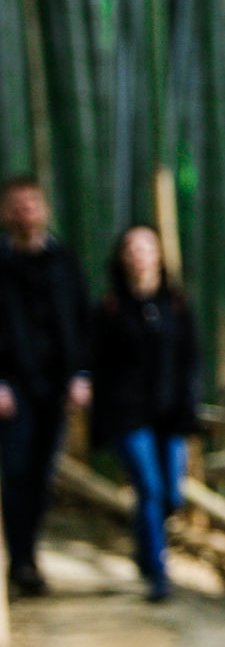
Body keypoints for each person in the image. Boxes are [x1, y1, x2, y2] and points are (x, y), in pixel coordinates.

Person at [92, 225, 200, 602]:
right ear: (122, 258)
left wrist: (189, 405)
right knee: (150, 490)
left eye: (146, 247)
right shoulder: (110, 307)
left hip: (171, 414)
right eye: (131, 248)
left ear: (159, 255)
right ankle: (158, 572)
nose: (138, 255)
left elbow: (191, 361)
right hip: (128, 416)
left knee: (171, 495)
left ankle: (142, 548)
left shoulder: (178, 305)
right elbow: (98, 365)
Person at [0, 176, 93, 596]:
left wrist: (82, 375)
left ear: (45, 210)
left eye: (32, 204)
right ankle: (21, 561)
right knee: (15, 471)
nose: (26, 213)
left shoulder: (65, 261)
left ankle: (27, 555)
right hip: (11, 386)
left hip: (55, 385)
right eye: (17, 206)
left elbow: (81, 321)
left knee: (42, 475)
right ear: (6, 213)